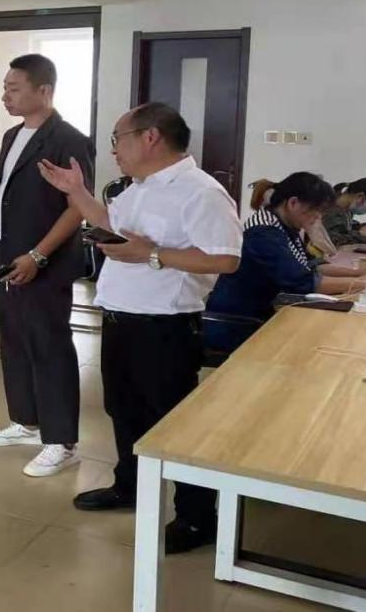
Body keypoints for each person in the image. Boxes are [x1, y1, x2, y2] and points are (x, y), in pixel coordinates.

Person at [38, 102, 242, 554]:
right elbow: (110, 224)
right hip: (119, 320)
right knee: (123, 411)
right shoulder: (139, 187)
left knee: (175, 425)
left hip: (164, 328)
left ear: (150, 137)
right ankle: (128, 486)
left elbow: (226, 258)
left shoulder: (201, 192)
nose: (114, 149)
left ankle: (195, 517)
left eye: (118, 139)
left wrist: (152, 255)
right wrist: (76, 191)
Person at [0, 53, 95, 479]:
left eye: (14, 89)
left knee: (49, 346)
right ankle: (26, 421)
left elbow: (78, 207)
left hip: (43, 260)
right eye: (4, 88)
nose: (5, 96)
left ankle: (61, 442)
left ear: (44, 91)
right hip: (6, 254)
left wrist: (38, 255)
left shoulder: (69, 140)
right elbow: (8, 192)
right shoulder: (12, 135)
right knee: (15, 342)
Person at [205, 173, 366, 354]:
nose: (318, 218)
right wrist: (364, 283)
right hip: (242, 323)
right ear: (293, 203)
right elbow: (304, 282)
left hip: (268, 312)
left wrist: (359, 274)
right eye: (315, 212)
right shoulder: (264, 233)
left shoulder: (285, 225)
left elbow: (313, 265)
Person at [323, 177, 366, 246]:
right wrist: (360, 234)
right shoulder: (328, 209)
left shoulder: (346, 210)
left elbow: (348, 228)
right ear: (360, 196)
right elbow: (331, 240)